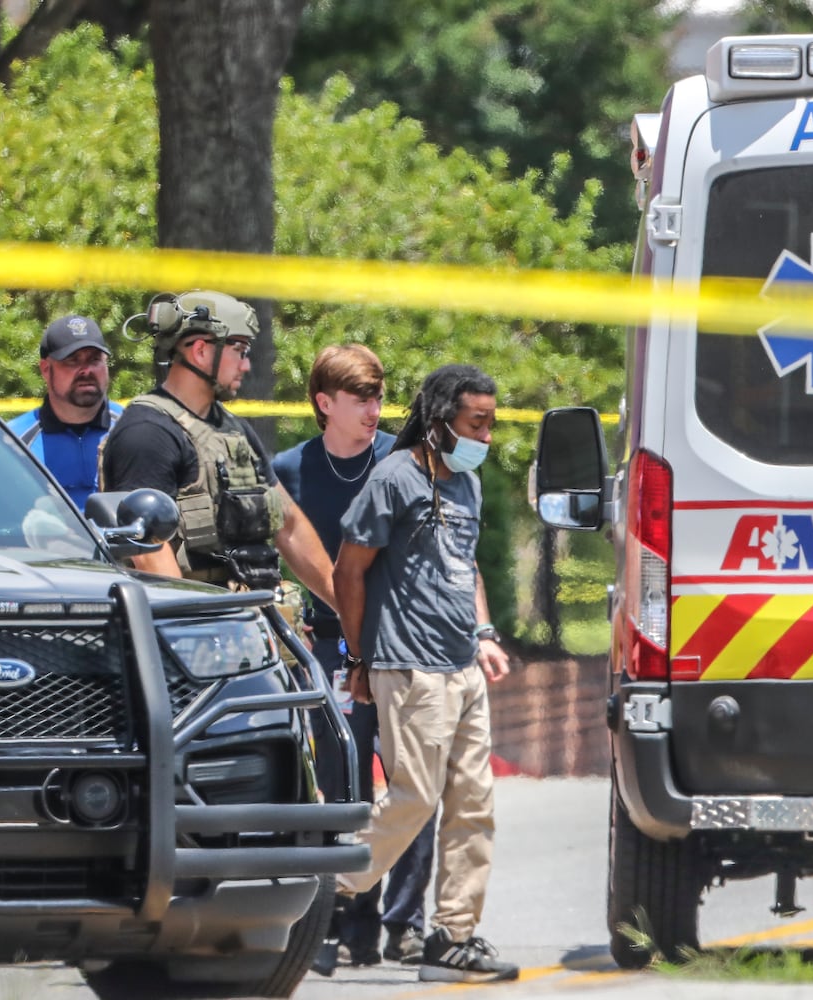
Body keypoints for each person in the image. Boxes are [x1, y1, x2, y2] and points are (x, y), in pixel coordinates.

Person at [331, 363, 519, 984]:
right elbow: (348, 571)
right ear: (440, 423)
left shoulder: (466, 482)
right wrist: (359, 657)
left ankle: (452, 937)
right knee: (415, 796)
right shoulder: (393, 479)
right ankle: (324, 891)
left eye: (491, 422)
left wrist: (484, 634)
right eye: (476, 422)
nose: (487, 436)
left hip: (462, 665)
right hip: (408, 666)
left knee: (473, 804)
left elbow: (466, 568)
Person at [271, 344, 436, 970]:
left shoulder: (403, 459)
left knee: (410, 783)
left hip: (398, 646)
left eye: (378, 395)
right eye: (361, 397)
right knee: (339, 788)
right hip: (323, 647)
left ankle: (404, 921)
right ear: (324, 403)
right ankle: (340, 919)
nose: (375, 408)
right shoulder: (289, 471)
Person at [99, 290, 336, 609]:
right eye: (238, 350)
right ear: (200, 351)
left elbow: (289, 525)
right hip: (193, 631)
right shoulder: (146, 433)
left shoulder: (234, 431)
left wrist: (349, 617)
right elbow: (148, 553)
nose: (246, 365)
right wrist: (201, 629)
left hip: (252, 622)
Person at [7, 315, 124, 512]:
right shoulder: (15, 442)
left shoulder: (132, 428)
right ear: (45, 369)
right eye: (72, 360)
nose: (86, 370)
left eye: (95, 359)